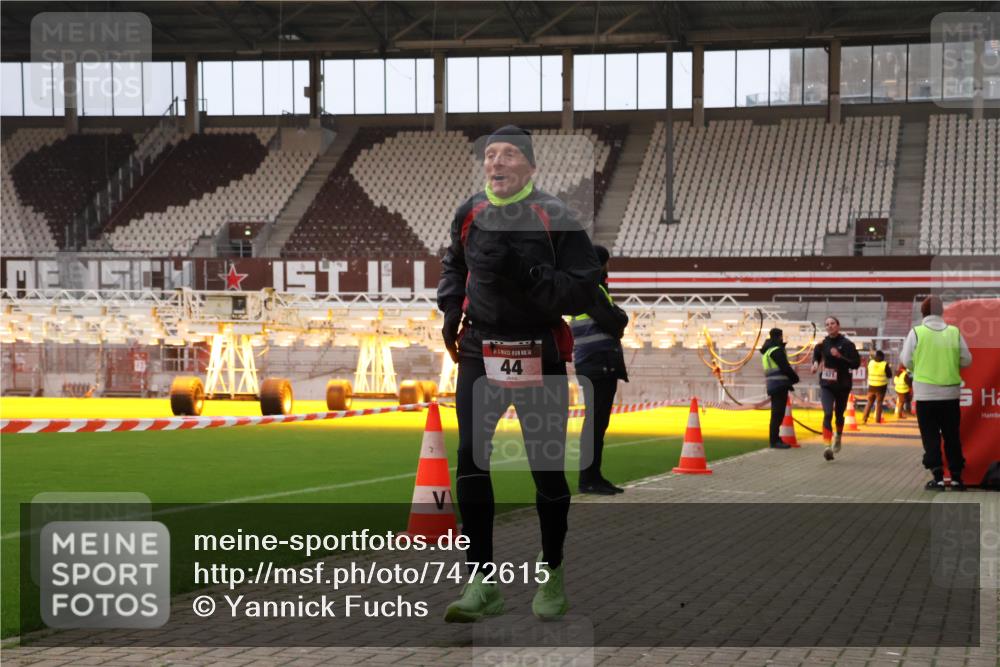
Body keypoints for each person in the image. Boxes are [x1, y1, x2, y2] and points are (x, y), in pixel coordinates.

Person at [437, 125, 602, 622]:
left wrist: (529, 275)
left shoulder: (556, 216)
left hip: (539, 351)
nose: (498, 162)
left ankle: (550, 575)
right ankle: (480, 582)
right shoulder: (469, 212)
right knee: (471, 460)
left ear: (530, 166)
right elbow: (453, 265)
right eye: (491, 154)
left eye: (509, 154)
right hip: (478, 350)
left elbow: (583, 287)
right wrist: (449, 306)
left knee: (546, 468)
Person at [571, 245, 629, 494]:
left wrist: (618, 317)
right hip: (597, 362)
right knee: (595, 424)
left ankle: (594, 476)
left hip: (596, 362)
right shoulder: (592, 290)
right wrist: (619, 317)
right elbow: (614, 322)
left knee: (597, 424)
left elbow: (615, 319)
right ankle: (588, 480)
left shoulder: (592, 289)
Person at [900, 296, 972, 491]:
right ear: (942, 312)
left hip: (925, 395)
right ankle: (957, 477)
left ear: (923, 313)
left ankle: (938, 476)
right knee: (952, 435)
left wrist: (920, 365)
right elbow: (967, 360)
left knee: (930, 436)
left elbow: (906, 360)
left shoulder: (916, 332)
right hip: (950, 394)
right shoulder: (954, 332)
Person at [811, 316, 860, 461]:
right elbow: (816, 355)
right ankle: (827, 446)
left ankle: (838, 436)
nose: (830, 326)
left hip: (843, 385)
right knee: (827, 413)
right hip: (827, 383)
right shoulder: (822, 344)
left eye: (832, 323)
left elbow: (856, 364)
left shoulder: (847, 344)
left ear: (838, 326)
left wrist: (840, 356)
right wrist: (815, 364)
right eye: (827, 324)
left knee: (839, 415)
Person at [760, 327, 800, 449]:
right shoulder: (776, 350)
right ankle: (774, 441)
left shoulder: (767, 351)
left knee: (776, 414)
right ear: (780, 337)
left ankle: (775, 439)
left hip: (773, 385)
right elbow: (785, 367)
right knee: (778, 414)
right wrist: (795, 378)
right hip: (780, 385)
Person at [861, 349, 892, 424]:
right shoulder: (884, 364)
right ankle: (877, 421)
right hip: (881, 388)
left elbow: (868, 372)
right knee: (879, 403)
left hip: (871, 387)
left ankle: (864, 418)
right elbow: (889, 375)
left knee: (869, 402)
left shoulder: (871, 363)